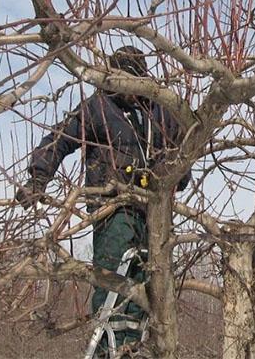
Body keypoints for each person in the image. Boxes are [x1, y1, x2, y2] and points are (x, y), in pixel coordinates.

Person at [15, 46, 189, 356]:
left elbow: (182, 147)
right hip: (113, 207)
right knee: (115, 282)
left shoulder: (160, 111)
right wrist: (38, 178)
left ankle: (135, 348)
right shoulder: (98, 107)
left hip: (155, 212)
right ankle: (109, 349)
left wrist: (179, 173)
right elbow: (60, 138)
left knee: (151, 287)